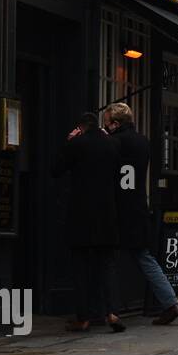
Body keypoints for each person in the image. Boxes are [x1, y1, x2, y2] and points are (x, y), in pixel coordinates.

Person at [104, 103, 178, 324]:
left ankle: (111, 311)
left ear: (115, 124)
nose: (106, 127)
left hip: (117, 208)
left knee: (107, 259)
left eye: (107, 123)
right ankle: (170, 302)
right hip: (138, 206)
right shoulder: (143, 142)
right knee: (144, 257)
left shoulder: (113, 142)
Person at [51, 112, 123, 333]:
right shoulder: (112, 144)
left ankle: (83, 318)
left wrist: (69, 142)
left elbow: (56, 170)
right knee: (106, 265)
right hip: (107, 213)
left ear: (80, 127)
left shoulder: (77, 143)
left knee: (80, 267)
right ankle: (111, 312)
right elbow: (116, 173)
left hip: (81, 213)